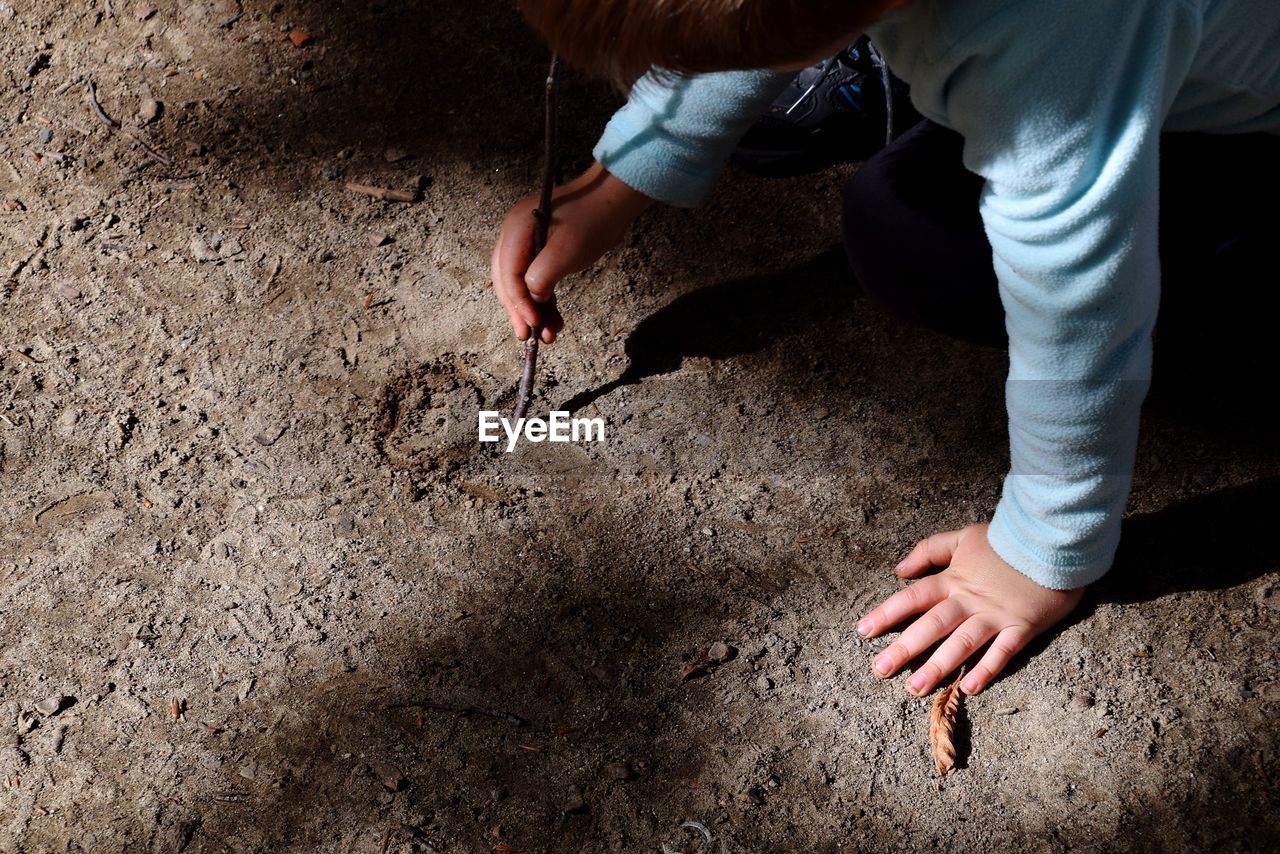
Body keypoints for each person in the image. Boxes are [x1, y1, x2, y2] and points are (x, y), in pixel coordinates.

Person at [489, 0, 1280, 697]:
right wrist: (618, 179)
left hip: (1232, 119)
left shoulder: (1061, 23)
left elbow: (1077, 282)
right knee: (754, 120)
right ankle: (890, 51)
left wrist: (1044, 543)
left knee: (908, 238)